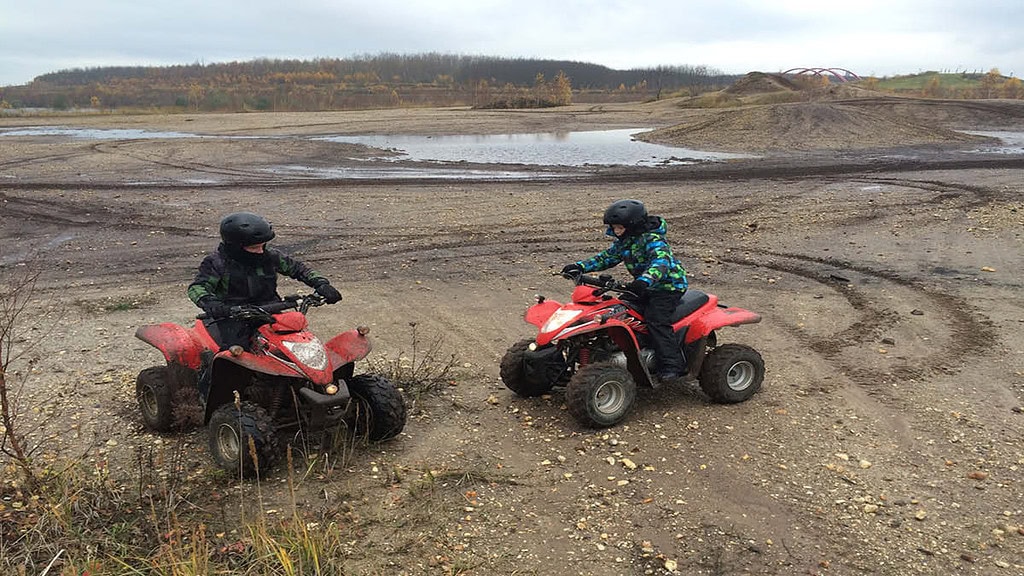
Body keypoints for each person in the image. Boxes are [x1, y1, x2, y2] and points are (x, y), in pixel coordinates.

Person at [561, 199, 688, 382]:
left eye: (619, 227)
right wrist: (579, 267)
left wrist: (645, 280)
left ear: (633, 225)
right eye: (613, 227)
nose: (615, 231)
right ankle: (629, 348)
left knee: (656, 320)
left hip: (667, 287)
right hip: (644, 285)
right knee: (620, 310)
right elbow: (607, 258)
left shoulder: (653, 239)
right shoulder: (625, 241)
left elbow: (661, 263)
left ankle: (672, 365)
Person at [188, 211, 342, 352]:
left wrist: (321, 284)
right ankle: (211, 381)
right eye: (254, 248)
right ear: (235, 247)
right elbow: (198, 287)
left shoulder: (271, 257)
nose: (260, 251)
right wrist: (211, 304)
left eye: (263, 246)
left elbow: (299, 269)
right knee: (232, 356)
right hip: (233, 317)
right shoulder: (217, 262)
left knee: (299, 345)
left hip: (270, 311)